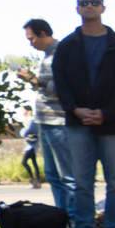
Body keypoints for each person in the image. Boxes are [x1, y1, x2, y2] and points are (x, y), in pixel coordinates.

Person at [54, 0, 115, 228]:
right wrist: (75, 109)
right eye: (84, 3)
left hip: (113, 123)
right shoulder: (66, 46)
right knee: (82, 182)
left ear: (103, 8)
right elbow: (61, 84)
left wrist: (107, 113)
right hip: (78, 123)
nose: (89, 6)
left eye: (94, 2)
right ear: (77, 9)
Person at [22, 18, 75, 215]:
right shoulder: (46, 56)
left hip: (58, 121)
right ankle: (62, 217)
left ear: (43, 33)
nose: (30, 43)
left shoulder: (60, 54)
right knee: (52, 175)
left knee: (67, 176)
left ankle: (75, 219)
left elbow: (64, 88)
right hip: (44, 121)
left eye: (32, 38)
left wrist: (34, 80)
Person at [21, 120, 43, 189]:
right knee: (34, 164)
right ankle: (37, 181)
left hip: (30, 148)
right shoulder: (35, 124)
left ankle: (32, 179)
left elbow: (26, 133)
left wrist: (25, 133)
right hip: (33, 148)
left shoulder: (32, 122)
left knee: (24, 162)